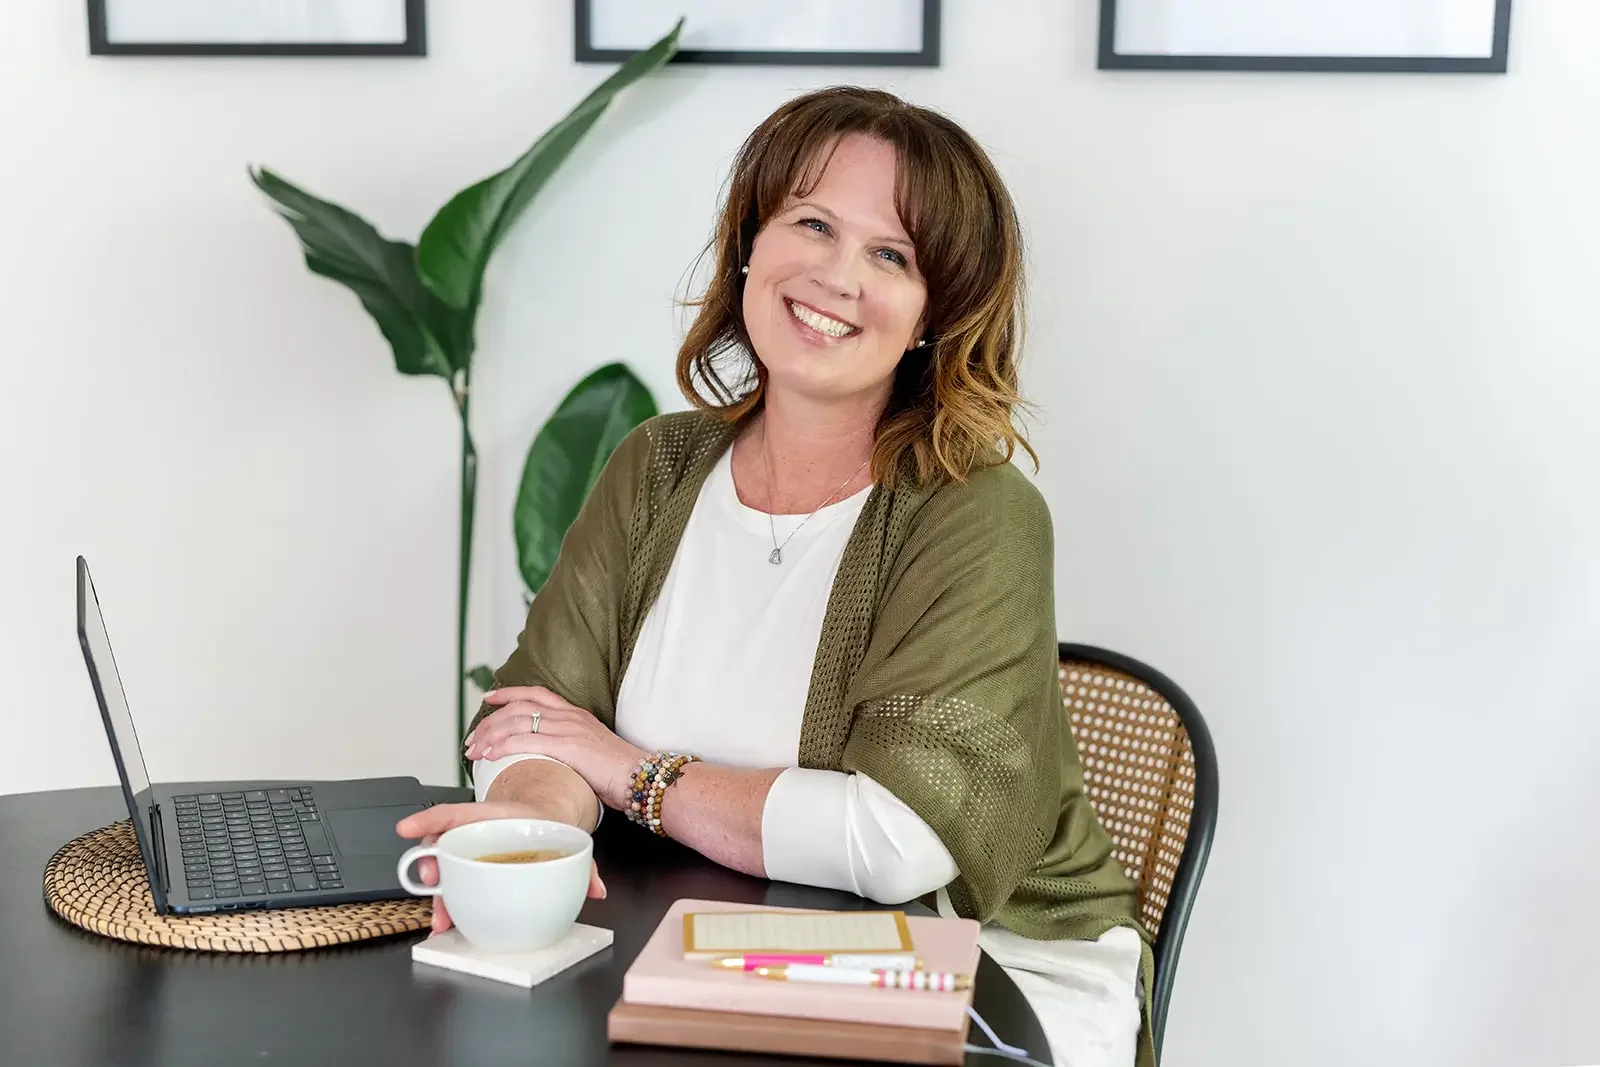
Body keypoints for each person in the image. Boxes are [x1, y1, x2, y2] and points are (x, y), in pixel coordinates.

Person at [397, 86, 1152, 1067]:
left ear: (936, 309)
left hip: (979, 967)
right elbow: (533, 718)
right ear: (752, 241)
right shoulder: (658, 464)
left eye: (891, 255)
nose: (837, 275)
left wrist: (626, 771)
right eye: (812, 223)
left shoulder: (976, 513)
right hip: (700, 934)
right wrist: (535, 820)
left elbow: (894, 843)